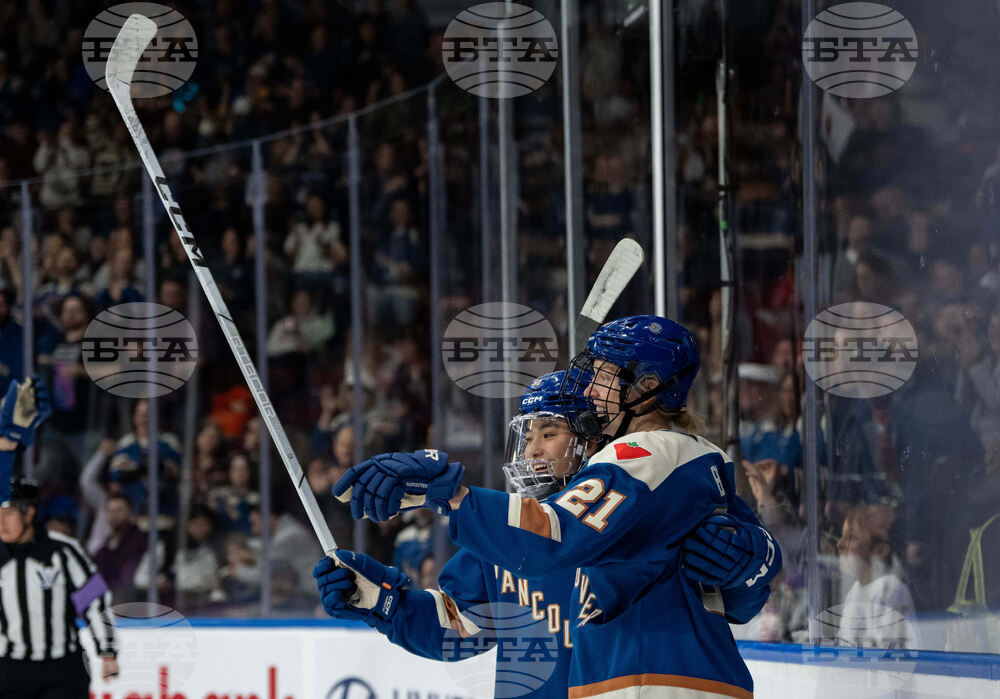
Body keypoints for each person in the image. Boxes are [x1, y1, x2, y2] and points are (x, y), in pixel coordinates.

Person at [333, 316, 781, 697]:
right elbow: (460, 627)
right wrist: (378, 599)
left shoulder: (643, 482)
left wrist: (754, 558)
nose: (532, 451)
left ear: (591, 441)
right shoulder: (506, 530)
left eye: (549, 433)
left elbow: (742, 591)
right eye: (528, 436)